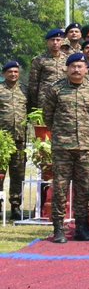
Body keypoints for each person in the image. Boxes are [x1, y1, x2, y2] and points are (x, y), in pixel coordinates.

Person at [43, 52, 89, 242]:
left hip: (86, 146)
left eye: (80, 66)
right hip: (63, 146)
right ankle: (59, 228)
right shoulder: (56, 89)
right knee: (60, 188)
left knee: (84, 189)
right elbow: (48, 116)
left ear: (86, 69)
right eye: (73, 66)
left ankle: (82, 227)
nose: (77, 69)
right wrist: (61, 134)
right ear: (66, 68)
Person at [0, 60, 27, 219]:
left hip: (20, 139)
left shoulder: (25, 90)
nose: (13, 74)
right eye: (10, 71)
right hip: (2, 141)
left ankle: (16, 206)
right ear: (4, 73)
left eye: (16, 71)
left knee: (18, 175)